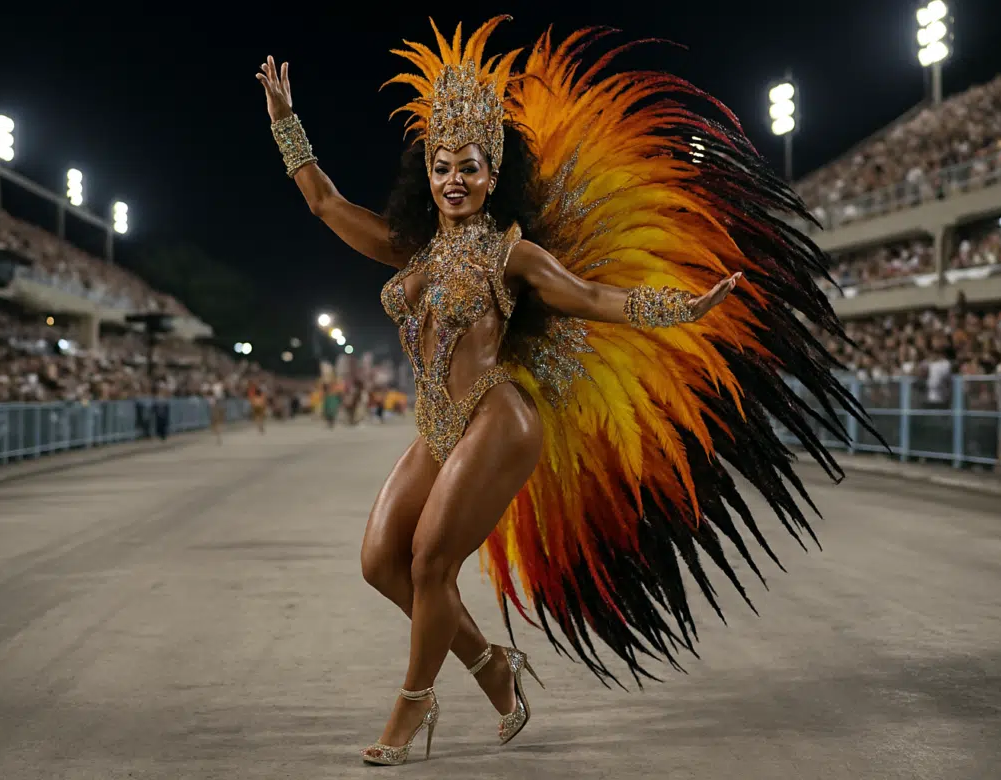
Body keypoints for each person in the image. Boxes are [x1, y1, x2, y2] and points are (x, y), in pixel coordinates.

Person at [257, 17, 868, 766]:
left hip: (498, 417)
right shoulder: (411, 249)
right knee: (380, 561)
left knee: (429, 565)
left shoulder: (513, 255)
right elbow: (325, 204)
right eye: (443, 167)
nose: (455, 180)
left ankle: (413, 705)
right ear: (429, 173)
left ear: (494, 175)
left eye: (470, 167)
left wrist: (682, 307)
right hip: (439, 422)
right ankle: (494, 668)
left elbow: (594, 297)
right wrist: (287, 125)